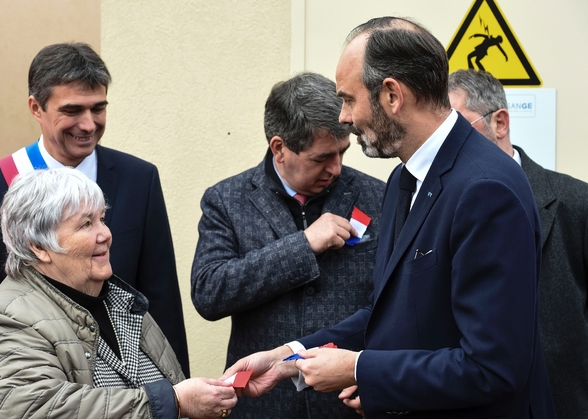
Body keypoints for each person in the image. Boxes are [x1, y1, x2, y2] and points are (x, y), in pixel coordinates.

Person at [222, 17, 556, 418]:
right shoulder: (404, 177)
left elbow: (493, 368)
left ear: (392, 95)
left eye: (348, 99)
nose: (344, 117)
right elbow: (391, 314)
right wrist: (289, 357)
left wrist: (360, 369)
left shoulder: (485, 189)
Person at [0, 42, 189, 411]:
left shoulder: (138, 178)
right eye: (72, 110)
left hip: (134, 390)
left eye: (98, 108)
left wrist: (179, 397)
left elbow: (159, 297)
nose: (88, 124)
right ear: (36, 108)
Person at [0, 168, 236, 419]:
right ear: (39, 247)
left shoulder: (123, 303)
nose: (105, 233)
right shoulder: (5, 318)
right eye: (85, 224)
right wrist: (172, 402)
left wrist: (219, 392)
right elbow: (29, 410)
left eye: (102, 219)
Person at [190, 72, 385, 418]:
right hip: (266, 402)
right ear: (279, 148)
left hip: (350, 403)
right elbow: (210, 292)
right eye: (321, 158)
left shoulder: (379, 196)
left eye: (342, 152)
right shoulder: (226, 200)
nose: (336, 169)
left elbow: (391, 302)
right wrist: (303, 246)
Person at [448, 68, 588, 419]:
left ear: (500, 122)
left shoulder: (575, 201)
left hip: (563, 401)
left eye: (460, 127)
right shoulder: (438, 206)